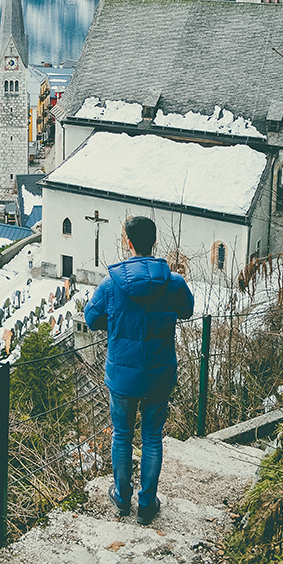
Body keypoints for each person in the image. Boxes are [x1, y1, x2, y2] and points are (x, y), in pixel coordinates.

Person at [84, 216, 193, 525]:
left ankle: (121, 497)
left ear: (128, 243)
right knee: (152, 436)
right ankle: (147, 503)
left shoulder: (110, 284)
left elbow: (91, 319)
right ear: (154, 242)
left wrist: (116, 324)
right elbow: (186, 310)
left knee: (122, 435)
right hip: (159, 372)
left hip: (122, 373)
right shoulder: (173, 282)